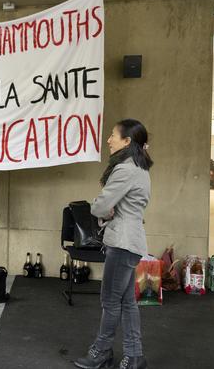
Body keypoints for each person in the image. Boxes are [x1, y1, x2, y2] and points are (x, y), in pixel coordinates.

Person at [75, 119, 153, 369]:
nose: (108, 140)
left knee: (110, 300)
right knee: (126, 301)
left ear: (127, 141)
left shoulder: (126, 169)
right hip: (130, 241)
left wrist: (104, 211)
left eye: (112, 135)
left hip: (121, 243)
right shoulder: (139, 168)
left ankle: (101, 351)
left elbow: (98, 206)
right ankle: (134, 356)